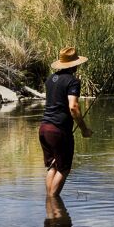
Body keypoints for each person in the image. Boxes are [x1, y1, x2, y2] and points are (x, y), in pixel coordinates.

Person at [39, 46, 92, 216]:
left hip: (44, 128)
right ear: (74, 65)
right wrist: (84, 129)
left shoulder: (50, 79)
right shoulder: (72, 81)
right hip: (59, 131)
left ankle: (50, 213)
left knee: (53, 166)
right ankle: (54, 208)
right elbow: (73, 107)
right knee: (64, 168)